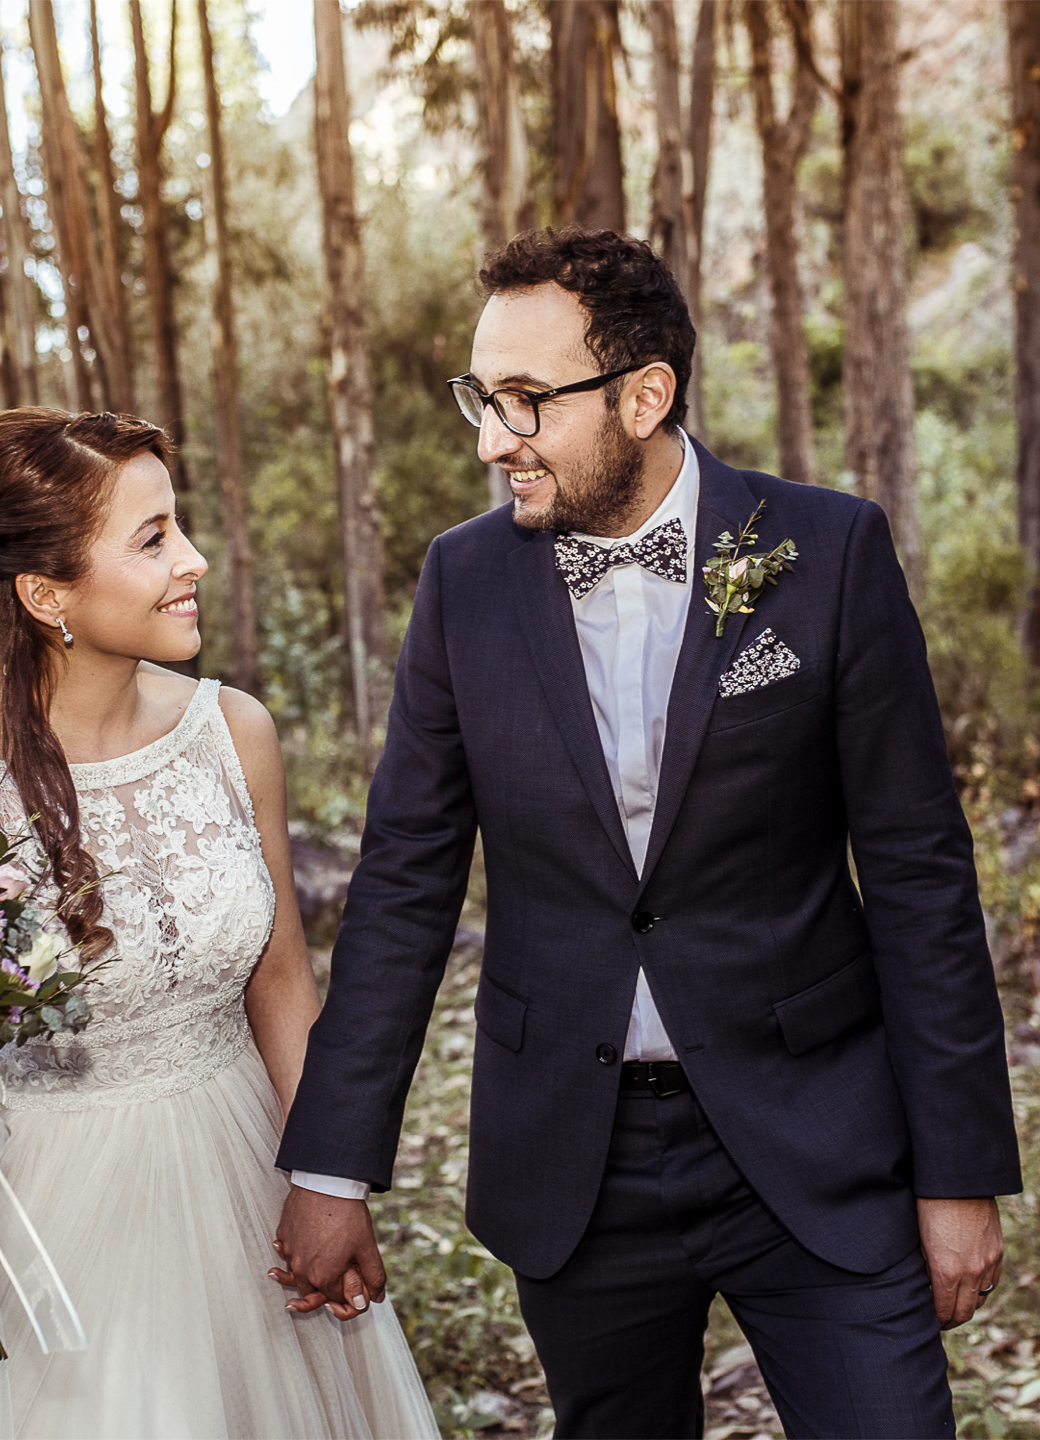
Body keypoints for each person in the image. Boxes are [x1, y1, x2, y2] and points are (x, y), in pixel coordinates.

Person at [273, 228, 1023, 1439]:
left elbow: (919, 875)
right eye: (481, 398)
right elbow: (406, 882)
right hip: (574, 1161)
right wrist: (331, 1166)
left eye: (525, 400)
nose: (492, 440)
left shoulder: (828, 552)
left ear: (644, 396)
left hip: (818, 1138)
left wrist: (959, 1170)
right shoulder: (462, 583)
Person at [0, 408, 437, 1440]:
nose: (193, 560)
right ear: (46, 593)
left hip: (244, 1174)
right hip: (46, 1224)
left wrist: (329, 1180)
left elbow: (280, 975)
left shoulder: (233, 732)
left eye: (178, 525)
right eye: (152, 539)